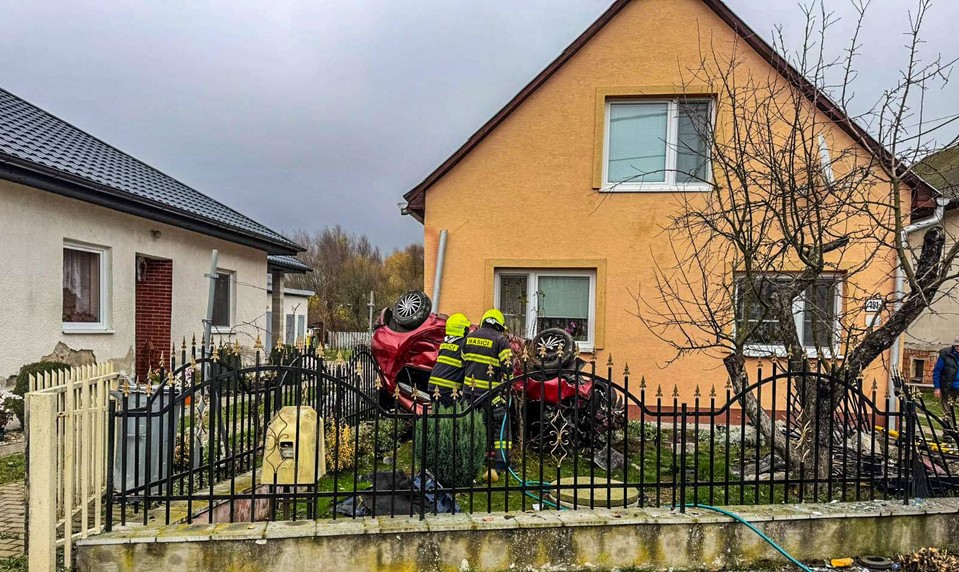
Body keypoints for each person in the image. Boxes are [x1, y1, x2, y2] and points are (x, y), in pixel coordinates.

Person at [463, 309, 514, 477]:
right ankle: (501, 463)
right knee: (501, 425)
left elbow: (463, 362)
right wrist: (506, 387)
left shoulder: (469, 337)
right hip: (491, 394)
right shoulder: (501, 340)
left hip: (469, 393)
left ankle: (472, 461)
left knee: (473, 426)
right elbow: (508, 368)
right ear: (499, 325)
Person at [427, 313, 471, 408]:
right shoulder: (463, 344)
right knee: (450, 417)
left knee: (438, 416)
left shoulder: (445, 343)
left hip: (433, 385)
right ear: (463, 329)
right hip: (447, 388)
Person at [932, 338, 959, 429]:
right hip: (948, 386)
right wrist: (937, 388)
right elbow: (937, 371)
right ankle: (948, 432)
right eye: (957, 346)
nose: (958, 348)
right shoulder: (945, 354)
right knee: (947, 411)